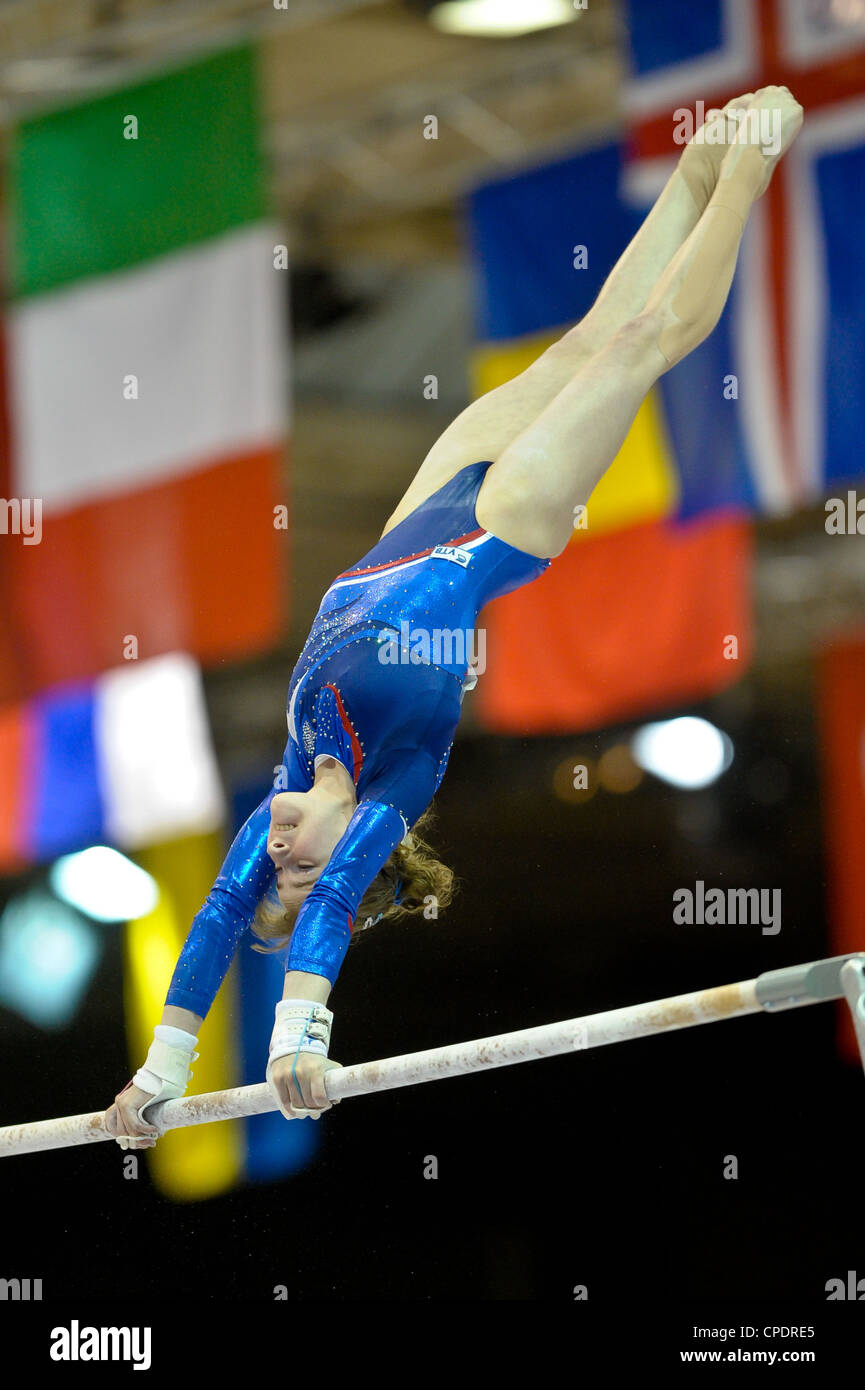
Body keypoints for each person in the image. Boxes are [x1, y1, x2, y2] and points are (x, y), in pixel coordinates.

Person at [104, 86, 803, 1150]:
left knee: (583, 341)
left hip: (417, 509)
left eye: (273, 864)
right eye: (300, 863)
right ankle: (754, 161)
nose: (280, 849)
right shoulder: (396, 786)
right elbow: (332, 904)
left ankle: (697, 169)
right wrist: (298, 1035)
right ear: (360, 850)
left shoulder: (293, 778)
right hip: (497, 534)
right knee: (642, 344)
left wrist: (160, 1066)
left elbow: (210, 923)